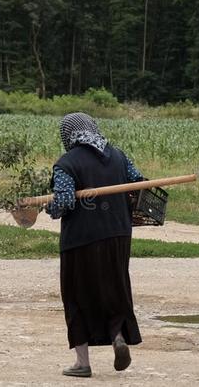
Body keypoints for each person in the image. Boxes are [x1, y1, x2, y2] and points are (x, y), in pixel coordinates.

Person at [45, 112, 143, 378]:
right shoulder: (119, 156)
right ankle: (117, 336)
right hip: (119, 235)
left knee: (78, 295)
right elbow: (139, 184)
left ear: (68, 135)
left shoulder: (66, 163)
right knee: (114, 289)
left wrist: (48, 206)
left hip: (82, 240)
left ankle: (82, 362)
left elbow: (63, 202)